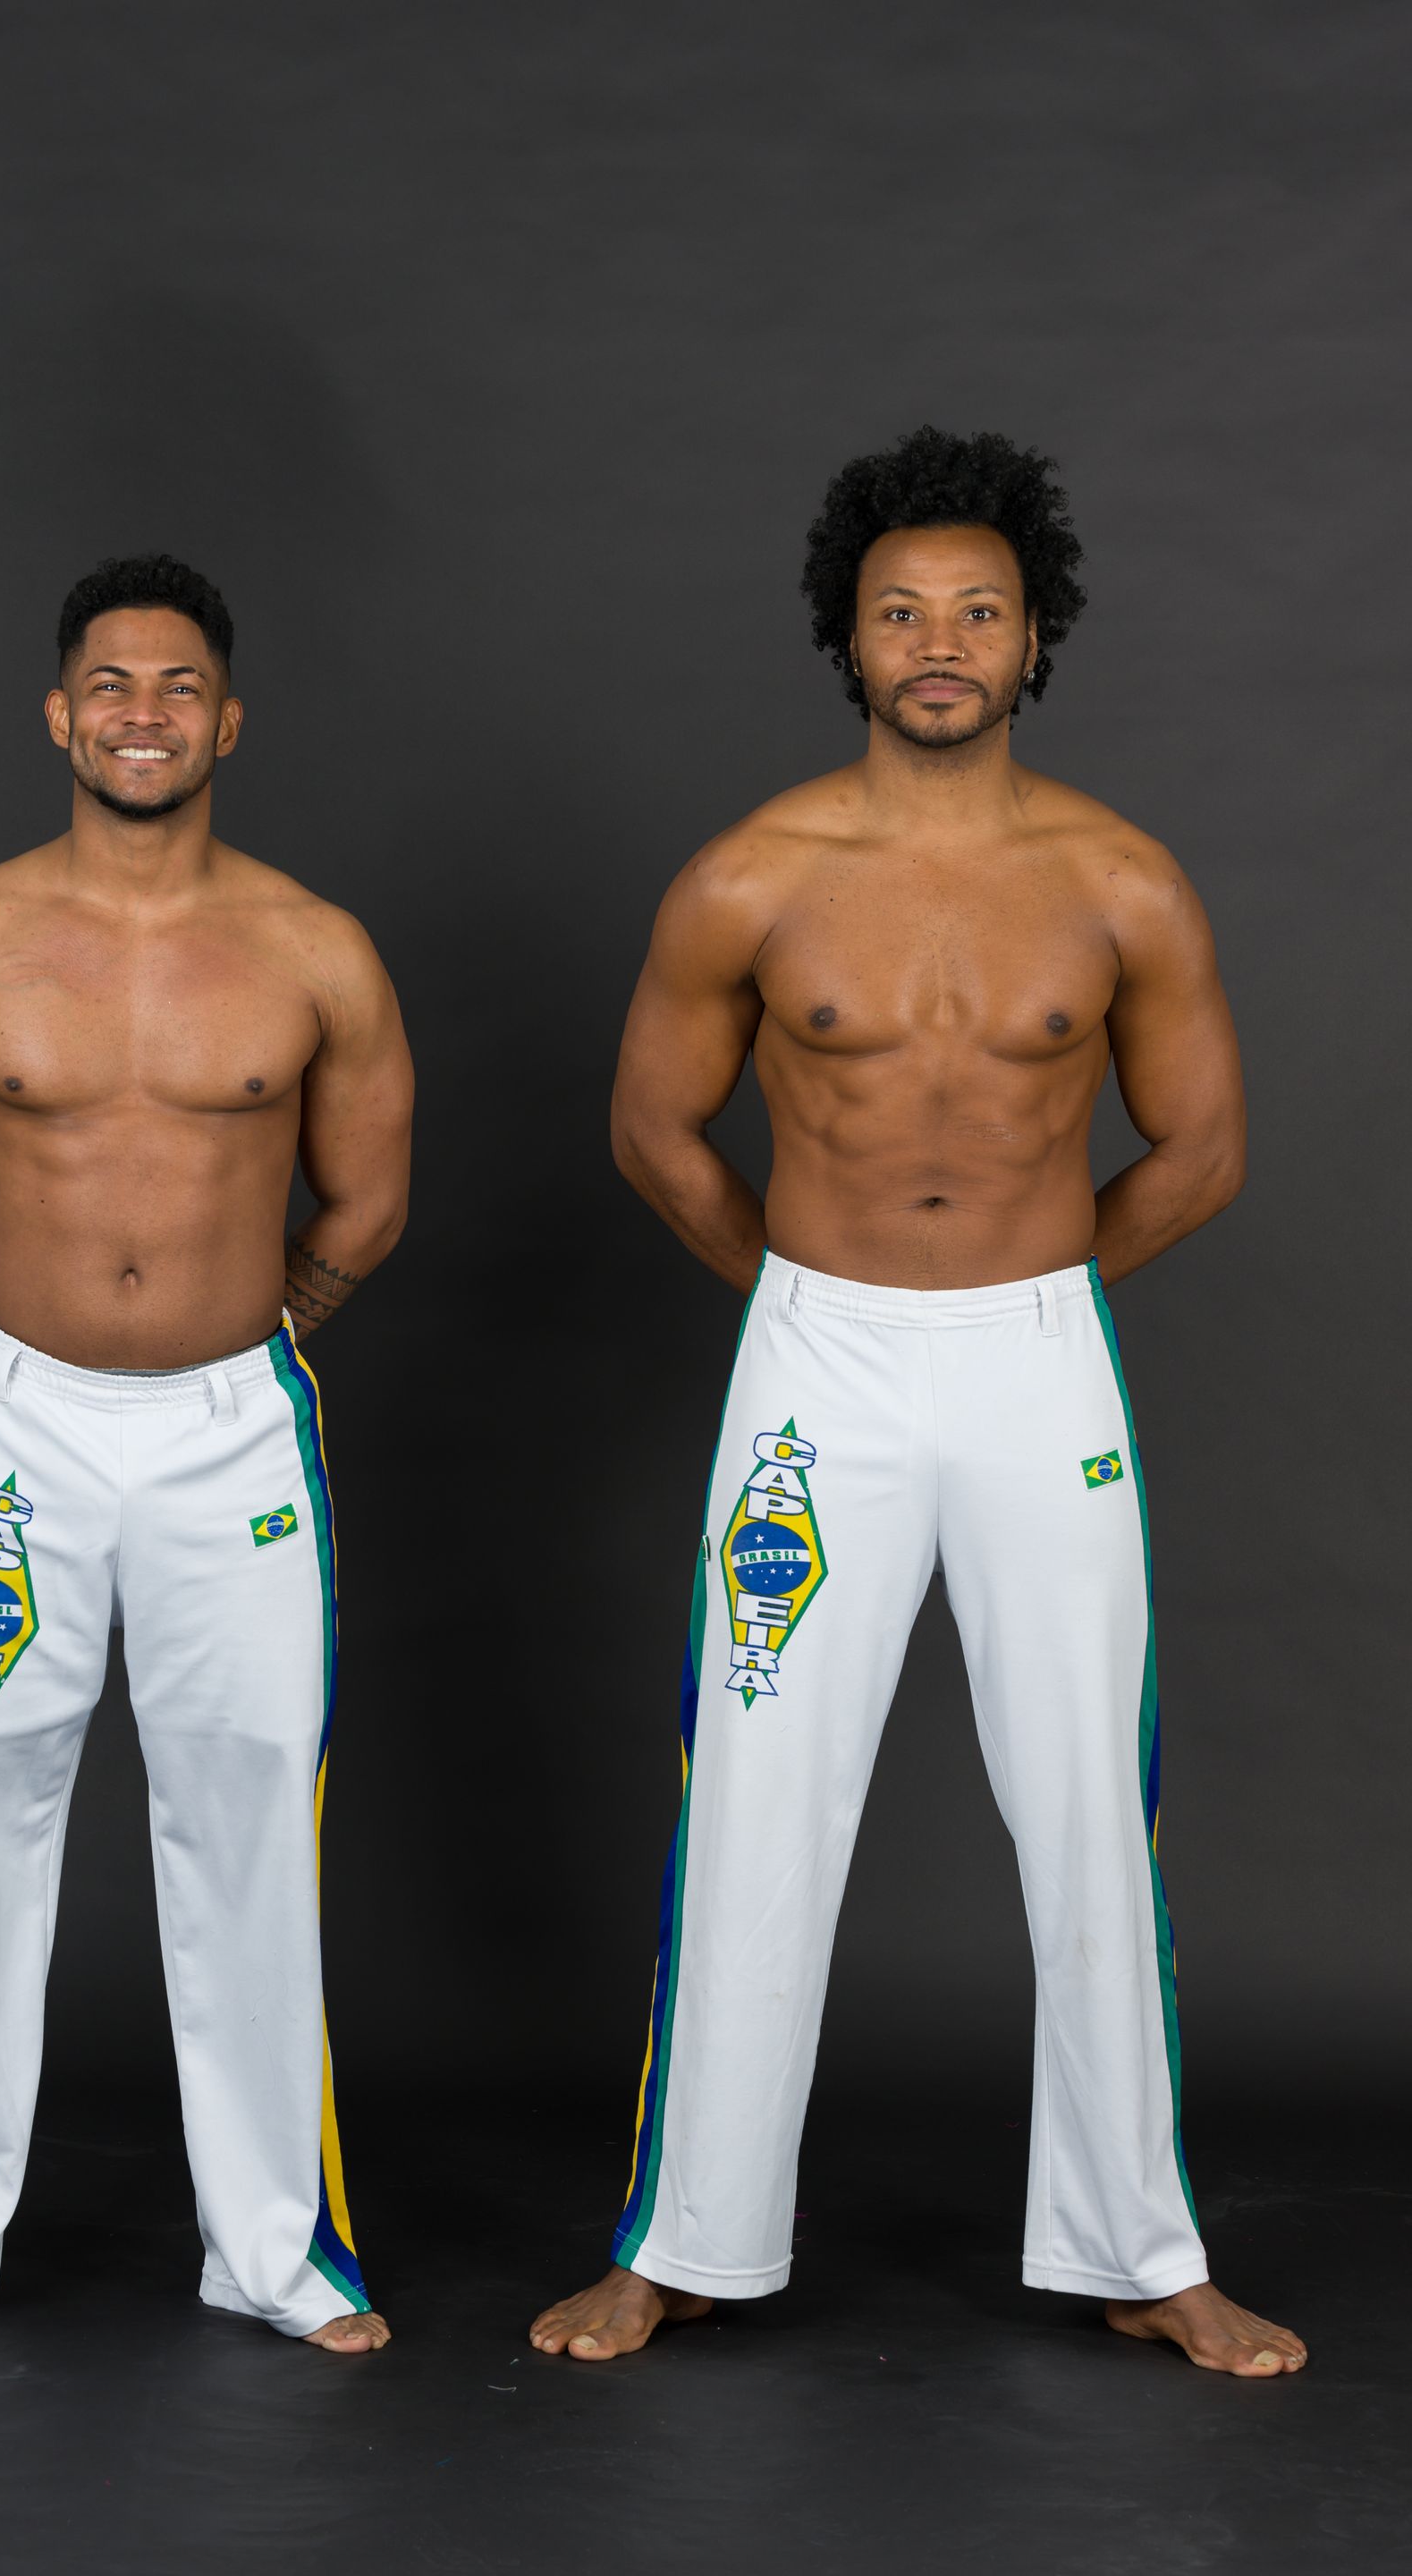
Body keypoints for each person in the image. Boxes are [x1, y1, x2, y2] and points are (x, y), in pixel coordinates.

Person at [530, 428, 1306, 2377]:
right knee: (760, 1800)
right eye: (901, 611)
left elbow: (1200, 1151)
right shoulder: (754, 875)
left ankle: (1144, 2246)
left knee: (1084, 1810)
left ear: (1034, 641)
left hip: (1039, 1358)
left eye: (978, 610)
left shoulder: (1119, 879)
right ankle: (687, 2240)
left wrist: (1021, 1302)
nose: (939, 639)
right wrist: (810, 1306)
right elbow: (653, 1130)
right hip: (820, 1362)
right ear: (847, 639)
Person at [0, 555, 411, 2359]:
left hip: (236, 1421)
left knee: (247, 1819)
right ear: (60, 713)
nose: (141, 711)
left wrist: (249, 1338)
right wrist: (30, 1363)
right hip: (17, 1422)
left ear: (225, 721)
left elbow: (369, 1202)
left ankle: (275, 2248)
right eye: (109, 682)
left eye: (176, 685)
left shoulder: (314, 946)